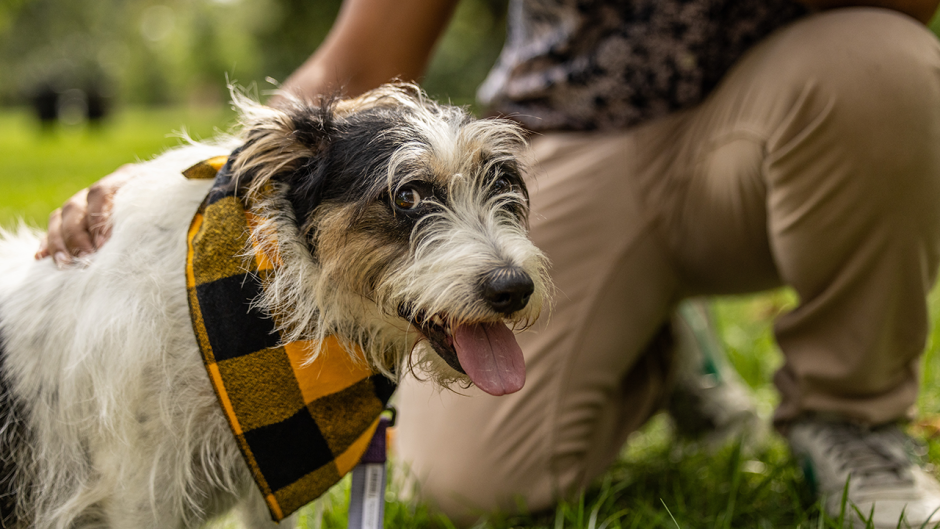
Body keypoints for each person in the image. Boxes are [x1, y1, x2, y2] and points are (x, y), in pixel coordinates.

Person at [35, 0, 940, 526]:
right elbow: (353, 69)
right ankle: (662, 348)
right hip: (567, 143)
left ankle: (849, 413)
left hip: (797, 122)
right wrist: (171, 181)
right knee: (476, 484)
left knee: (887, 66)